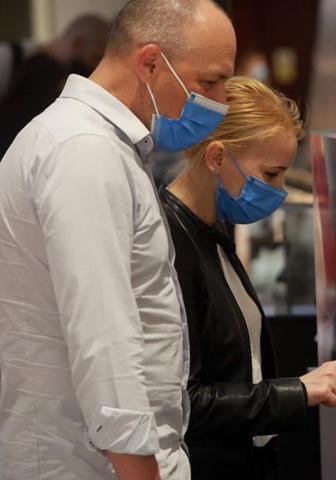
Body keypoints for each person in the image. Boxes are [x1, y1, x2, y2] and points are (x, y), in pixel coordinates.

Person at [0, 1, 237, 479]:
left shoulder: (98, 144)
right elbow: (103, 337)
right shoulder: (83, 151)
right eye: (209, 82)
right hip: (90, 464)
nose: (220, 100)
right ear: (150, 62)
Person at [160, 76, 336, 480]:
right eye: (271, 175)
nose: (280, 191)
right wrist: (300, 391)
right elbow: (186, 402)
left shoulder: (211, 233)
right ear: (217, 157)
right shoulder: (172, 246)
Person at [0, 15, 110, 156]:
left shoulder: (63, 72)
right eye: (94, 58)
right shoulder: (9, 57)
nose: (95, 67)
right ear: (76, 43)